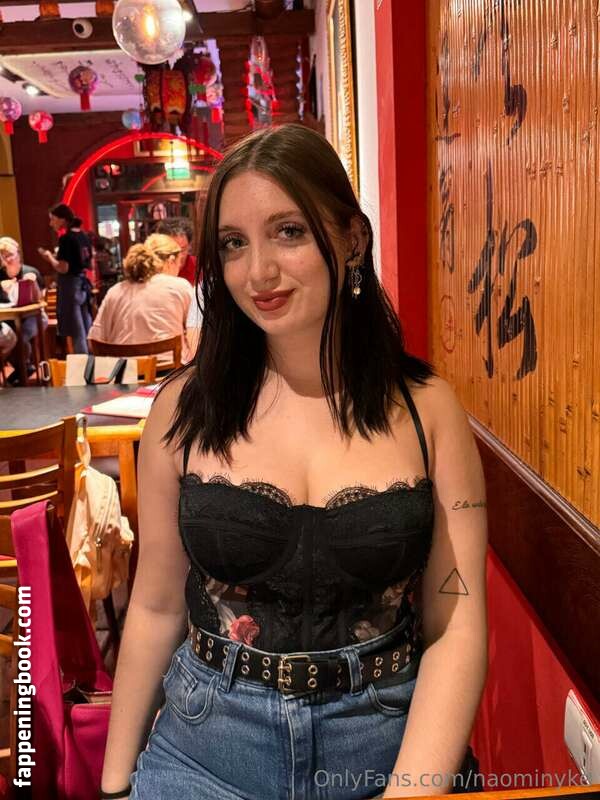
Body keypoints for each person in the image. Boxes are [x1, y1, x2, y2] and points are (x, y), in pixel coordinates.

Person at [101, 124, 488, 800]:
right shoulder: (184, 409)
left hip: (389, 743)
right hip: (205, 749)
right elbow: (157, 605)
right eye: (234, 243)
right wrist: (114, 783)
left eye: (288, 232)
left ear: (352, 240)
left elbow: (454, 619)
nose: (258, 273)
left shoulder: (429, 410)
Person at [87, 234, 194, 362]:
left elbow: (93, 341)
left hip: (126, 372)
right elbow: (197, 338)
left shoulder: (115, 291)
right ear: (171, 261)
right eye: (179, 263)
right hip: (172, 372)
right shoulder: (180, 286)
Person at [39, 204, 93, 354]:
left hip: (71, 287)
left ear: (62, 219)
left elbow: (63, 268)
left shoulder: (66, 239)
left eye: (53, 219)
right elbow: (86, 263)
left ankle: (83, 366)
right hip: (83, 285)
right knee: (87, 328)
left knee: (77, 332)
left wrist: (49, 257)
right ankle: (92, 362)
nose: (51, 223)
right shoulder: (83, 236)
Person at [0, 236, 47, 384]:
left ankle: (22, 371)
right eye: (3, 256)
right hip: (10, 317)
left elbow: (40, 301)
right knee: (9, 335)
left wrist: (32, 284)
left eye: (10, 255)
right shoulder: (1, 275)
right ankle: (24, 369)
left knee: (21, 335)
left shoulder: (30, 271)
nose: (7, 259)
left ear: (18, 254)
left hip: (34, 316)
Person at [156, 217, 198, 285]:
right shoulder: (153, 269)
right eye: (172, 251)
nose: (179, 256)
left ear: (189, 246)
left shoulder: (198, 267)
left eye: (183, 250)